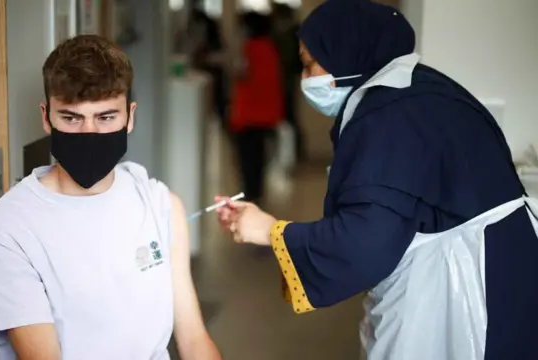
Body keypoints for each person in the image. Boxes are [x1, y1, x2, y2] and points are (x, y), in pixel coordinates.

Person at [216, 1, 538, 359]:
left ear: (345, 52)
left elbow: (365, 243)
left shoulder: (385, 116)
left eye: (309, 65)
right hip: (503, 261)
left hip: (463, 282)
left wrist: (269, 231)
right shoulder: (417, 89)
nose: (305, 80)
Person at [0, 35, 221, 360]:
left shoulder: (160, 204)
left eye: (106, 117)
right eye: (71, 118)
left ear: (129, 117)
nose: (88, 133)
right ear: (46, 117)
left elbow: (193, 340)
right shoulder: (8, 226)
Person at [229, 12, 284, 205]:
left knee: (247, 160)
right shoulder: (271, 48)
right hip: (266, 114)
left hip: (248, 114)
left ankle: (250, 196)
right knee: (259, 159)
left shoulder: (248, 48)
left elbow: (239, 72)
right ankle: (257, 195)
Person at [270, 3, 305, 162]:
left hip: (284, 79)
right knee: (289, 116)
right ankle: (294, 152)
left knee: (288, 116)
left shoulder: (286, 33)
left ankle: (292, 152)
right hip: (287, 79)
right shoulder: (293, 31)